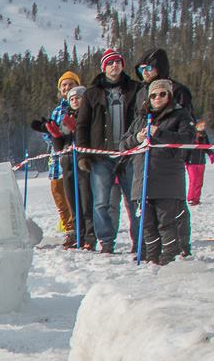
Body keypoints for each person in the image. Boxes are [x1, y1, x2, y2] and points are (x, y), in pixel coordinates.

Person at [76, 49, 140, 255]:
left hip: (129, 154)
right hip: (100, 156)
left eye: (118, 62)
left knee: (134, 200)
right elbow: (82, 126)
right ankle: (106, 242)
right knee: (101, 202)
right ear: (103, 67)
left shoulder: (135, 89)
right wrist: (84, 155)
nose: (115, 66)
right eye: (110, 63)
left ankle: (139, 241)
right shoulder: (92, 93)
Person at [133, 80, 197, 266]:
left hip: (167, 179)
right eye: (153, 95)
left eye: (162, 94)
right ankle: (152, 258)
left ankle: (171, 257)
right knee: (147, 225)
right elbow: (123, 144)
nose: (158, 98)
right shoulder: (141, 118)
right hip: (142, 179)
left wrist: (159, 132)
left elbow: (187, 139)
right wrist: (137, 138)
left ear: (169, 95)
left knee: (167, 222)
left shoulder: (180, 115)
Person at [31, 72, 82, 246]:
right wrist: (50, 132)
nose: (67, 88)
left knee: (74, 195)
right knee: (59, 195)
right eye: (64, 85)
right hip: (56, 161)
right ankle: (69, 229)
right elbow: (50, 137)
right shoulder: (57, 110)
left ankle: (79, 229)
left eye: (70, 84)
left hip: (74, 158)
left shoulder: (80, 105)